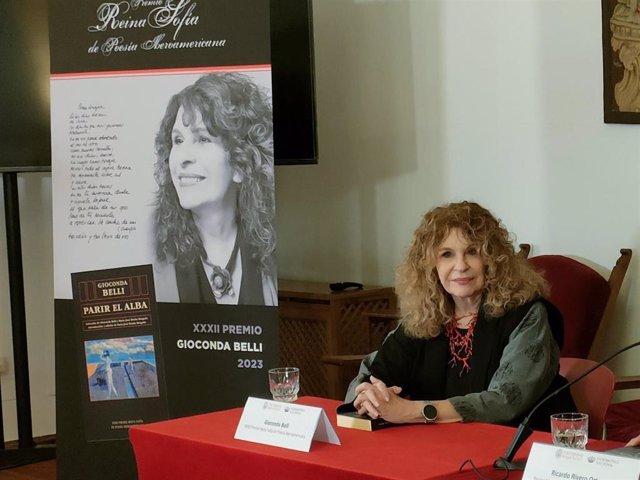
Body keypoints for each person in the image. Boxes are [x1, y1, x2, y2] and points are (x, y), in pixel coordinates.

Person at [347, 201, 575, 431]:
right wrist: (370, 397)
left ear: (493, 260)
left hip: (518, 450)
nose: (460, 266)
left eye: (472, 252)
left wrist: (412, 411)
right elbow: (376, 372)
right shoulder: (427, 314)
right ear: (430, 266)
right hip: (441, 448)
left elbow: (505, 401)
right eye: (446, 254)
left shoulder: (527, 314)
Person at [153, 72, 277, 306]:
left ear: (241, 163)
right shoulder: (151, 255)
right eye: (178, 141)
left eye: (202, 139)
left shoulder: (272, 254)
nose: (182, 158)